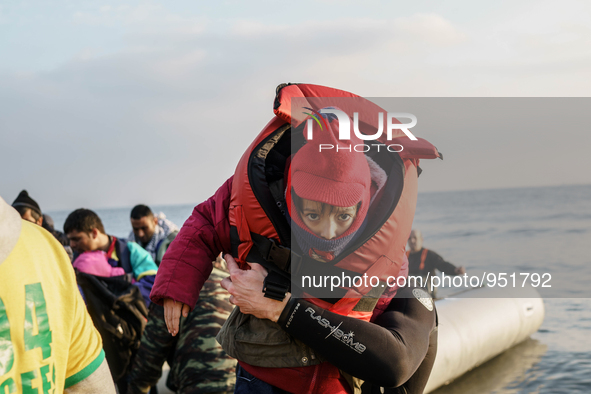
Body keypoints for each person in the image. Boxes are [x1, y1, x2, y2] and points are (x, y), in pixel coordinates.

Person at [150, 84, 442, 394]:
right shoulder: (255, 196)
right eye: (313, 215)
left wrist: (281, 306)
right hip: (262, 373)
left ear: (365, 204)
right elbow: (204, 223)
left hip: (335, 380)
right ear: (291, 195)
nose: (327, 232)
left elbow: (394, 356)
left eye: (343, 217)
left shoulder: (386, 248)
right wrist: (176, 284)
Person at [0, 195, 116, 393]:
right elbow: (92, 385)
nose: (73, 244)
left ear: (39, 220)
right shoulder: (49, 249)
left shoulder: (51, 251)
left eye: (76, 239)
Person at [127, 256, 236, 394]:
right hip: (241, 383)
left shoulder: (172, 287)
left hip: (196, 383)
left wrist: (136, 388)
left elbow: (150, 354)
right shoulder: (234, 281)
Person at [64, 208, 159, 307]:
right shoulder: (75, 259)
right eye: (70, 240)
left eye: (76, 239)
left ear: (94, 233)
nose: (72, 244)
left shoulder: (130, 251)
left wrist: (120, 298)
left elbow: (153, 283)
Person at [407, 229, 466, 297]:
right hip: (410, 297)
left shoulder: (429, 255)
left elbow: (442, 265)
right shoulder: (404, 257)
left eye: (415, 238)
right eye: (409, 238)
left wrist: (455, 270)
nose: (412, 241)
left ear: (421, 240)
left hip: (428, 297)